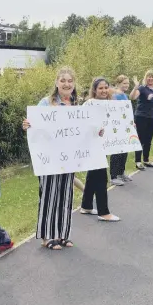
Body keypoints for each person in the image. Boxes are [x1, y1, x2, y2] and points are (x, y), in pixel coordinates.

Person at [22, 67, 80, 249]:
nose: (66, 84)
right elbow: (34, 125)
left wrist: (97, 131)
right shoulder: (46, 103)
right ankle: (47, 236)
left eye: (70, 81)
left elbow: (84, 130)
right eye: (63, 80)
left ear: (74, 84)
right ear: (56, 83)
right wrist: (28, 125)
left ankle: (63, 233)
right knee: (49, 195)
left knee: (66, 195)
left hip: (68, 158)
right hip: (48, 158)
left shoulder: (77, 105)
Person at [81, 77, 120, 222]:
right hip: (92, 145)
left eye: (106, 87)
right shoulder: (89, 104)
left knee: (93, 175)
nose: (104, 90)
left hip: (104, 146)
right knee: (102, 177)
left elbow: (116, 123)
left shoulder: (111, 104)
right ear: (94, 90)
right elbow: (81, 123)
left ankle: (86, 205)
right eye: (100, 88)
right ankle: (104, 212)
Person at [109, 75, 132, 186]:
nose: (126, 85)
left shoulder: (124, 95)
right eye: (124, 83)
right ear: (118, 83)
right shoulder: (115, 95)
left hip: (126, 126)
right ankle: (113, 176)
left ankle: (121, 173)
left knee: (125, 150)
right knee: (117, 151)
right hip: (117, 127)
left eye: (127, 83)